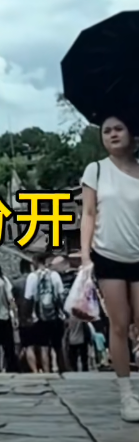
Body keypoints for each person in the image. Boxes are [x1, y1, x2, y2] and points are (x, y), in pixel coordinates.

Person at [81, 112, 139, 423]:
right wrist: (85, 256)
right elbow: (88, 213)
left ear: (132, 134)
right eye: (107, 131)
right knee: (119, 325)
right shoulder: (97, 170)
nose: (113, 134)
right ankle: (126, 395)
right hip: (108, 255)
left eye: (119, 129)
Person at [24, 254, 66, 375]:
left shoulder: (32, 277)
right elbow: (61, 295)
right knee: (58, 346)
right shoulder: (55, 275)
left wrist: (27, 316)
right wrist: (63, 312)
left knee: (44, 346)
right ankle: (62, 370)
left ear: (36, 262)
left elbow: (28, 298)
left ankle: (47, 373)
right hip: (55, 315)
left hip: (39, 317)